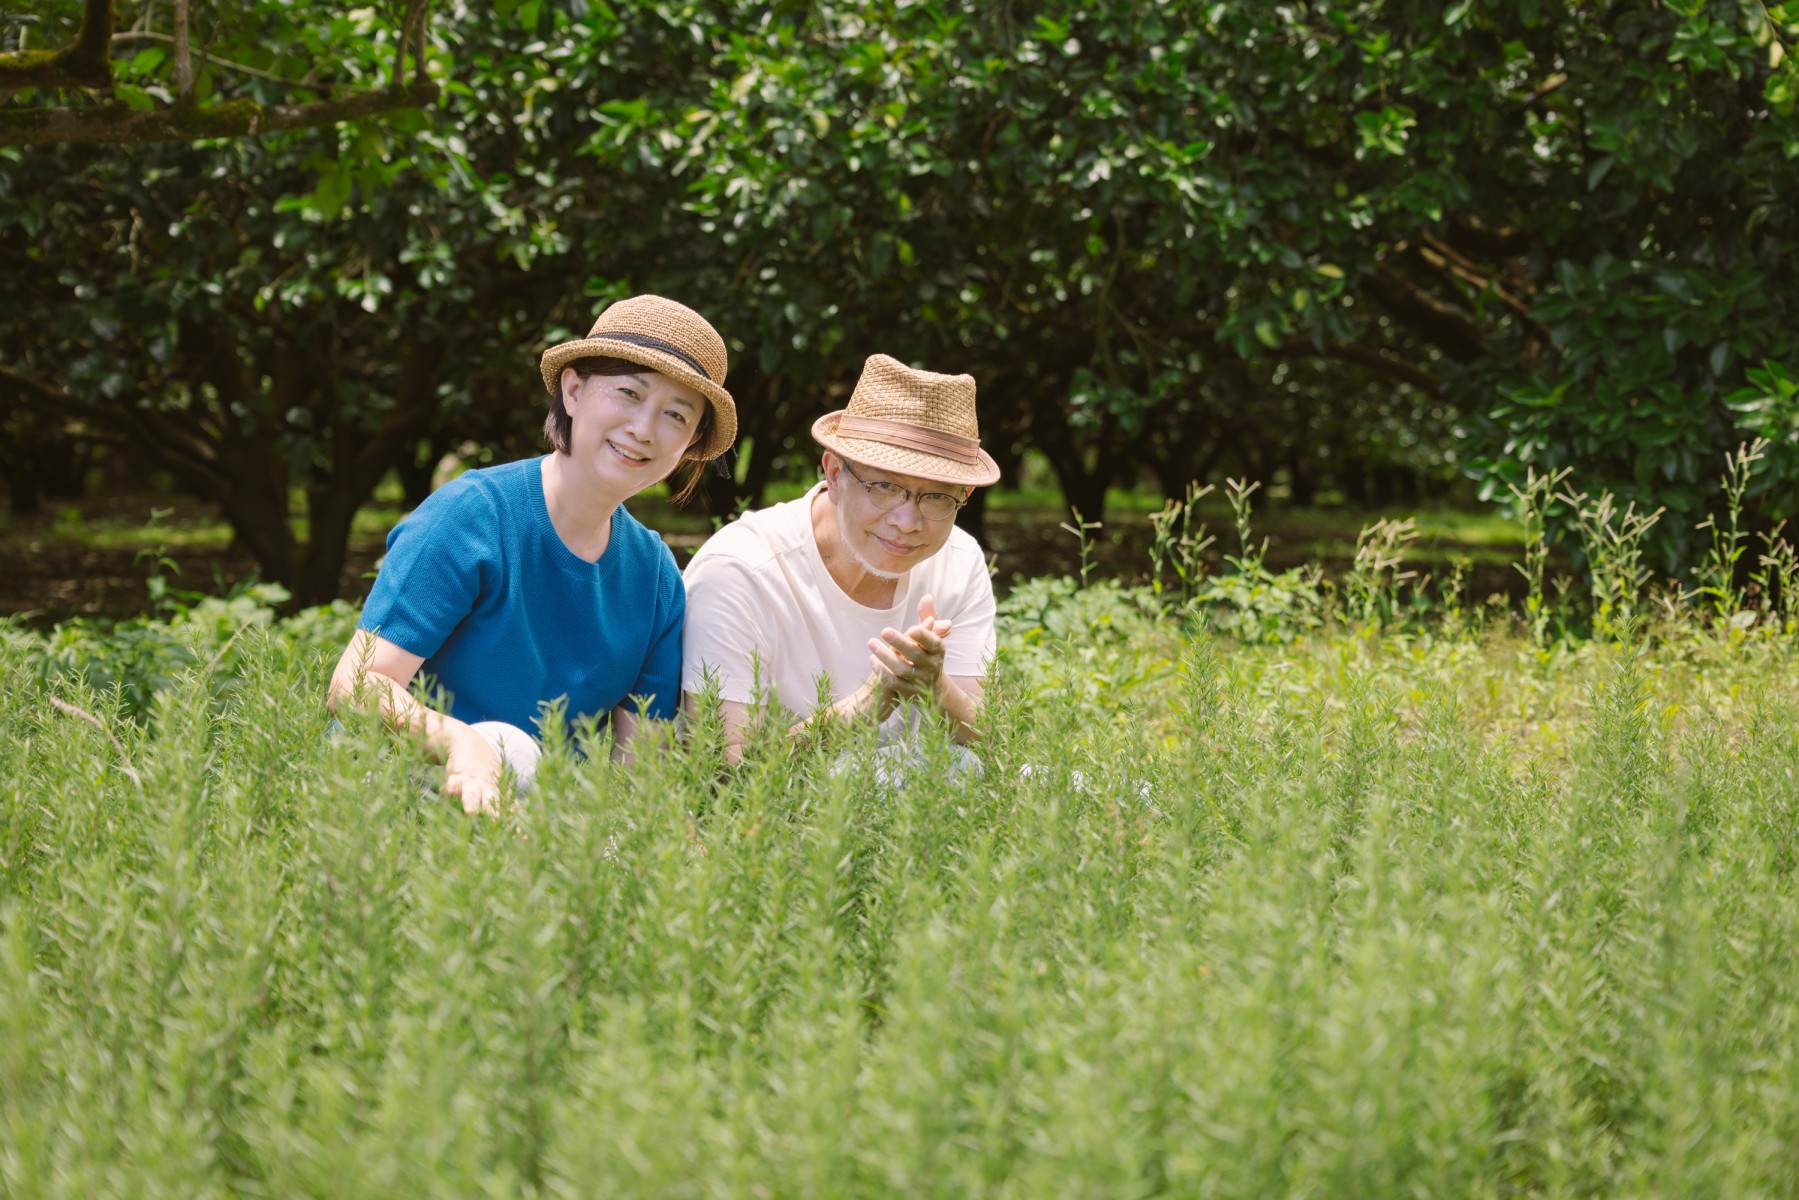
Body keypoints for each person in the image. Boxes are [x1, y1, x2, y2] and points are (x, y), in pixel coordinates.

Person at [327, 295, 736, 812]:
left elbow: (641, 776)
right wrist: (459, 743)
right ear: (573, 390)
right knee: (509, 748)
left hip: (533, 827)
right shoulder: (473, 515)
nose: (644, 428)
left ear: (690, 442)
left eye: (675, 415)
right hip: (391, 799)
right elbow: (357, 682)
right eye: (629, 393)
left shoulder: (656, 579)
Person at [681, 352, 1000, 763]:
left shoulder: (958, 559)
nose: (907, 522)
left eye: (937, 497)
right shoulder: (740, 571)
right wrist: (865, 706)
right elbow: (720, 773)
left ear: (964, 497)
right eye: (885, 486)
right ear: (834, 474)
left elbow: (988, 741)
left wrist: (937, 686)